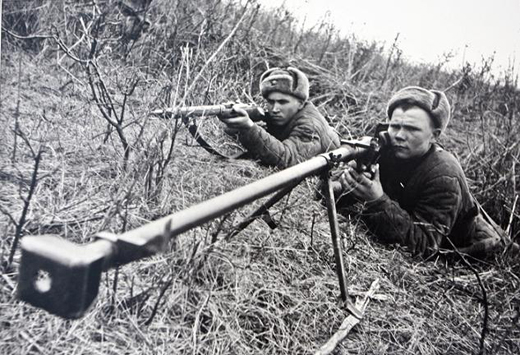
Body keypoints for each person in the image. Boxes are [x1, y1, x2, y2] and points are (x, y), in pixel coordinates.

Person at [336, 86, 515, 259]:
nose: (399, 135)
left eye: (412, 129)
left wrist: (376, 201)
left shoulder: (444, 175)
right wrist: (347, 179)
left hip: (472, 245)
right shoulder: (387, 146)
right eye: (394, 126)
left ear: (435, 135)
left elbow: (424, 246)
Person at [218, 67, 341, 168]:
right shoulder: (282, 117)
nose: (275, 109)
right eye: (271, 102)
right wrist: (238, 120)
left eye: (283, 102)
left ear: (301, 103)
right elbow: (230, 133)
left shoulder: (310, 125)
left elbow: (289, 160)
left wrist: (250, 128)